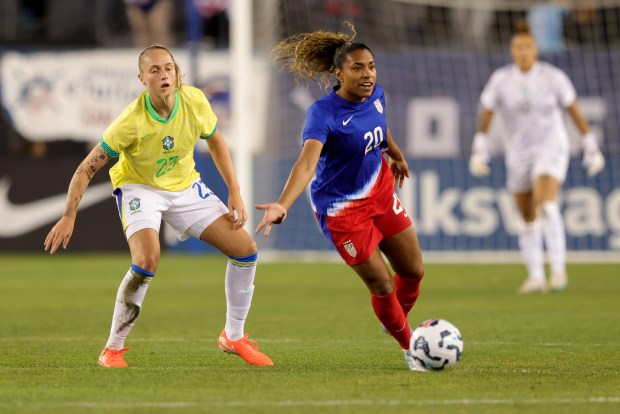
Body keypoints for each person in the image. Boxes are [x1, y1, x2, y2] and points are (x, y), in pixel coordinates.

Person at [44, 45, 272, 367]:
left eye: (168, 67)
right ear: (142, 79)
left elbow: (216, 140)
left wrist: (234, 190)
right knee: (147, 260)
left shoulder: (194, 100)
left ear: (177, 72)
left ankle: (233, 336)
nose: (164, 74)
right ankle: (112, 348)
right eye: (154, 70)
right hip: (140, 187)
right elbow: (86, 169)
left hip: (184, 185)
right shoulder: (130, 121)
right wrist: (69, 216)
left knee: (246, 249)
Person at [255, 25, 426, 371]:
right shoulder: (323, 113)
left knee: (413, 271)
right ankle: (412, 347)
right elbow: (306, 164)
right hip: (342, 211)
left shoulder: (376, 93)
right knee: (381, 283)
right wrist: (282, 204)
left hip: (379, 191)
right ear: (338, 73)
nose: (367, 74)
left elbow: (380, 124)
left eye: (371, 66)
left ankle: (394, 319)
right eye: (357, 68)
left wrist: (395, 153)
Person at [469, 21, 605, 294]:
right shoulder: (501, 79)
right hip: (518, 153)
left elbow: (574, 111)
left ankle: (558, 270)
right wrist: (479, 147)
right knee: (527, 216)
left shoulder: (553, 77)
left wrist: (591, 146)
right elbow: (486, 112)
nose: (523, 52)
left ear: (536, 50)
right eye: (518, 47)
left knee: (546, 204)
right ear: (511, 51)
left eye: (527, 47)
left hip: (551, 148)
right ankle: (535, 277)